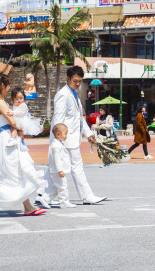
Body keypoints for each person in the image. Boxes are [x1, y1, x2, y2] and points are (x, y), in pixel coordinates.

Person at [0, 68, 45, 218]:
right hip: (5, 137)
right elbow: (12, 121)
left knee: (16, 171)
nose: (9, 89)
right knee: (10, 172)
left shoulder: (1, 101)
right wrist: (23, 128)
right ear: (2, 86)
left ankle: (28, 207)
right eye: (8, 86)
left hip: (8, 137)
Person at [38, 66, 105, 206]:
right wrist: (59, 140)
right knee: (75, 166)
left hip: (71, 138)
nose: (78, 83)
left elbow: (79, 118)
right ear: (67, 79)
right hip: (64, 138)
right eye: (75, 81)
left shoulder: (74, 93)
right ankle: (87, 196)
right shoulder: (63, 95)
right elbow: (58, 119)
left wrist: (89, 134)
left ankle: (42, 194)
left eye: (80, 81)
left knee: (57, 167)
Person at [47, 123, 75, 208]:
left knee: (57, 187)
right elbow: (57, 159)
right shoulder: (56, 146)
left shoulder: (58, 143)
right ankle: (64, 203)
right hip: (57, 171)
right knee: (63, 187)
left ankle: (46, 199)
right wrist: (60, 170)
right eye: (65, 133)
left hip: (56, 171)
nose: (66, 136)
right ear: (58, 134)